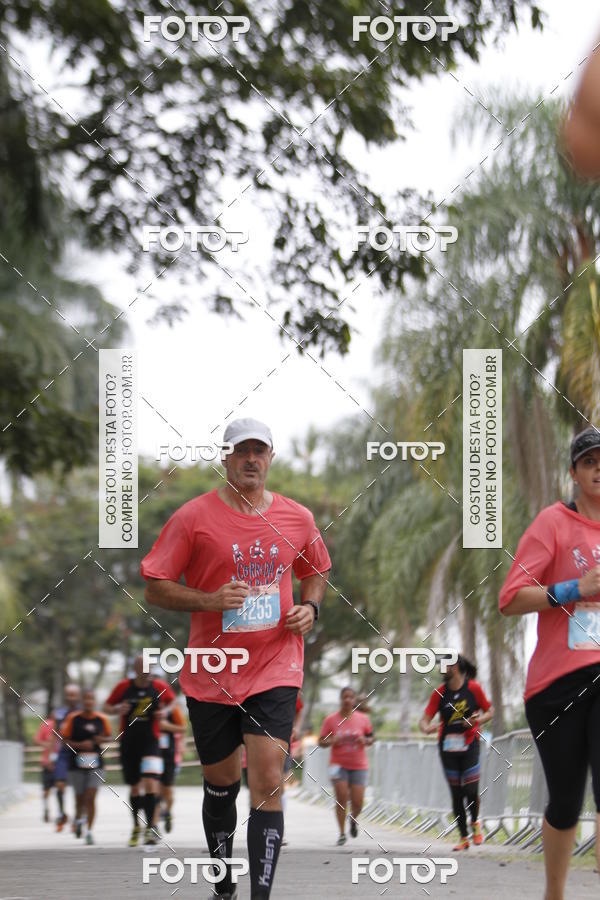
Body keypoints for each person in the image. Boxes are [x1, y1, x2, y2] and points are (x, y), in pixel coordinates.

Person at [142, 417, 331, 900]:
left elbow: (317, 570)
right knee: (221, 783)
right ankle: (223, 883)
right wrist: (210, 600)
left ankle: (260, 895)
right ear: (225, 458)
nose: (251, 459)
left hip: (275, 664)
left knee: (268, 777)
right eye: (241, 451)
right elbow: (155, 586)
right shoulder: (192, 518)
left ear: (270, 458)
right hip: (212, 671)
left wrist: (310, 607)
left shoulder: (298, 518)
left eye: (259, 451)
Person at [499, 426, 600, 900]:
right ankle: (554, 893)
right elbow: (511, 599)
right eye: (590, 461)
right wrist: (574, 589)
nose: (599, 468)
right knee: (565, 802)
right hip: (557, 683)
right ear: (574, 472)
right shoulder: (553, 524)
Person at [419, 656, 493, 851]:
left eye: (445, 666)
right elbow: (424, 720)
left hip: (470, 744)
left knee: (470, 789)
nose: (442, 670)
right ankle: (463, 837)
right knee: (456, 794)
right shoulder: (439, 693)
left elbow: (489, 711)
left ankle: (475, 823)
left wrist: (478, 720)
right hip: (447, 748)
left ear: (456, 667)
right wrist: (426, 728)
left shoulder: (473, 689)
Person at [103, 656, 175, 846]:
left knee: (151, 781)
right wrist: (118, 708)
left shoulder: (159, 685)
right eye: (141, 667)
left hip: (151, 741)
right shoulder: (123, 687)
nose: (146, 670)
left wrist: (165, 712)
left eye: (148, 666)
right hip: (128, 741)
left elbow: (172, 702)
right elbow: (106, 706)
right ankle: (136, 825)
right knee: (135, 786)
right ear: (134, 669)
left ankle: (152, 827)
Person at [318, 686, 374, 845]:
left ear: (354, 700)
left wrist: (366, 741)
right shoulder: (331, 720)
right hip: (338, 764)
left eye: (351, 697)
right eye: (345, 697)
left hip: (359, 765)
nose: (348, 700)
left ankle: (353, 819)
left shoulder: (363, 719)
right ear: (341, 700)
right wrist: (330, 741)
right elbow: (321, 741)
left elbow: (371, 738)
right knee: (341, 797)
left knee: (358, 802)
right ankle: (342, 833)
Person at [60, 688, 112, 845]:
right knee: (80, 798)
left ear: (94, 702)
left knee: (90, 797)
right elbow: (63, 740)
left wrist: (99, 740)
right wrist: (80, 744)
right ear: (82, 702)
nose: (89, 702)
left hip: (96, 764)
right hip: (76, 765)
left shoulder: (101, 719)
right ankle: (78, 819)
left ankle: (89, 831)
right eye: (86, 699)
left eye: (91, 699)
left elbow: (109, 737)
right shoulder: (73, 719)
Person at [52, 683, 81, 831]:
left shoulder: (83, 712)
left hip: (78, 752)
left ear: (78, 696)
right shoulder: (59, 713)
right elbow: (54, 734)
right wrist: (52, 754)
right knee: (59, 786)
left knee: (79, 789)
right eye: (68, 695)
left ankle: (78, 818)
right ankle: (62, 814)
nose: (71, 698)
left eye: (73, 695)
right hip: (63, 753)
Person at [157, 702, 187, 833]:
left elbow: (183, 729)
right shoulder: (147, 708)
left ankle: (167, 811)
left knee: (167, 790)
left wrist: (165, 726)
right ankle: (154, 825)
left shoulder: (173, 711)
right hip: (153, 756)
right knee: (155, 791)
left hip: (172, 758)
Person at [34, 713, 57, 822]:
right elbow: (37, 739)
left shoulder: (65, 724)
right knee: (46, 789)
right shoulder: (46, 724)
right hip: (46, 761)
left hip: (60, 762)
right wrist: (46, 745)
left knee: (60, 788)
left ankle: (60, 812)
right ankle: (46, 809)